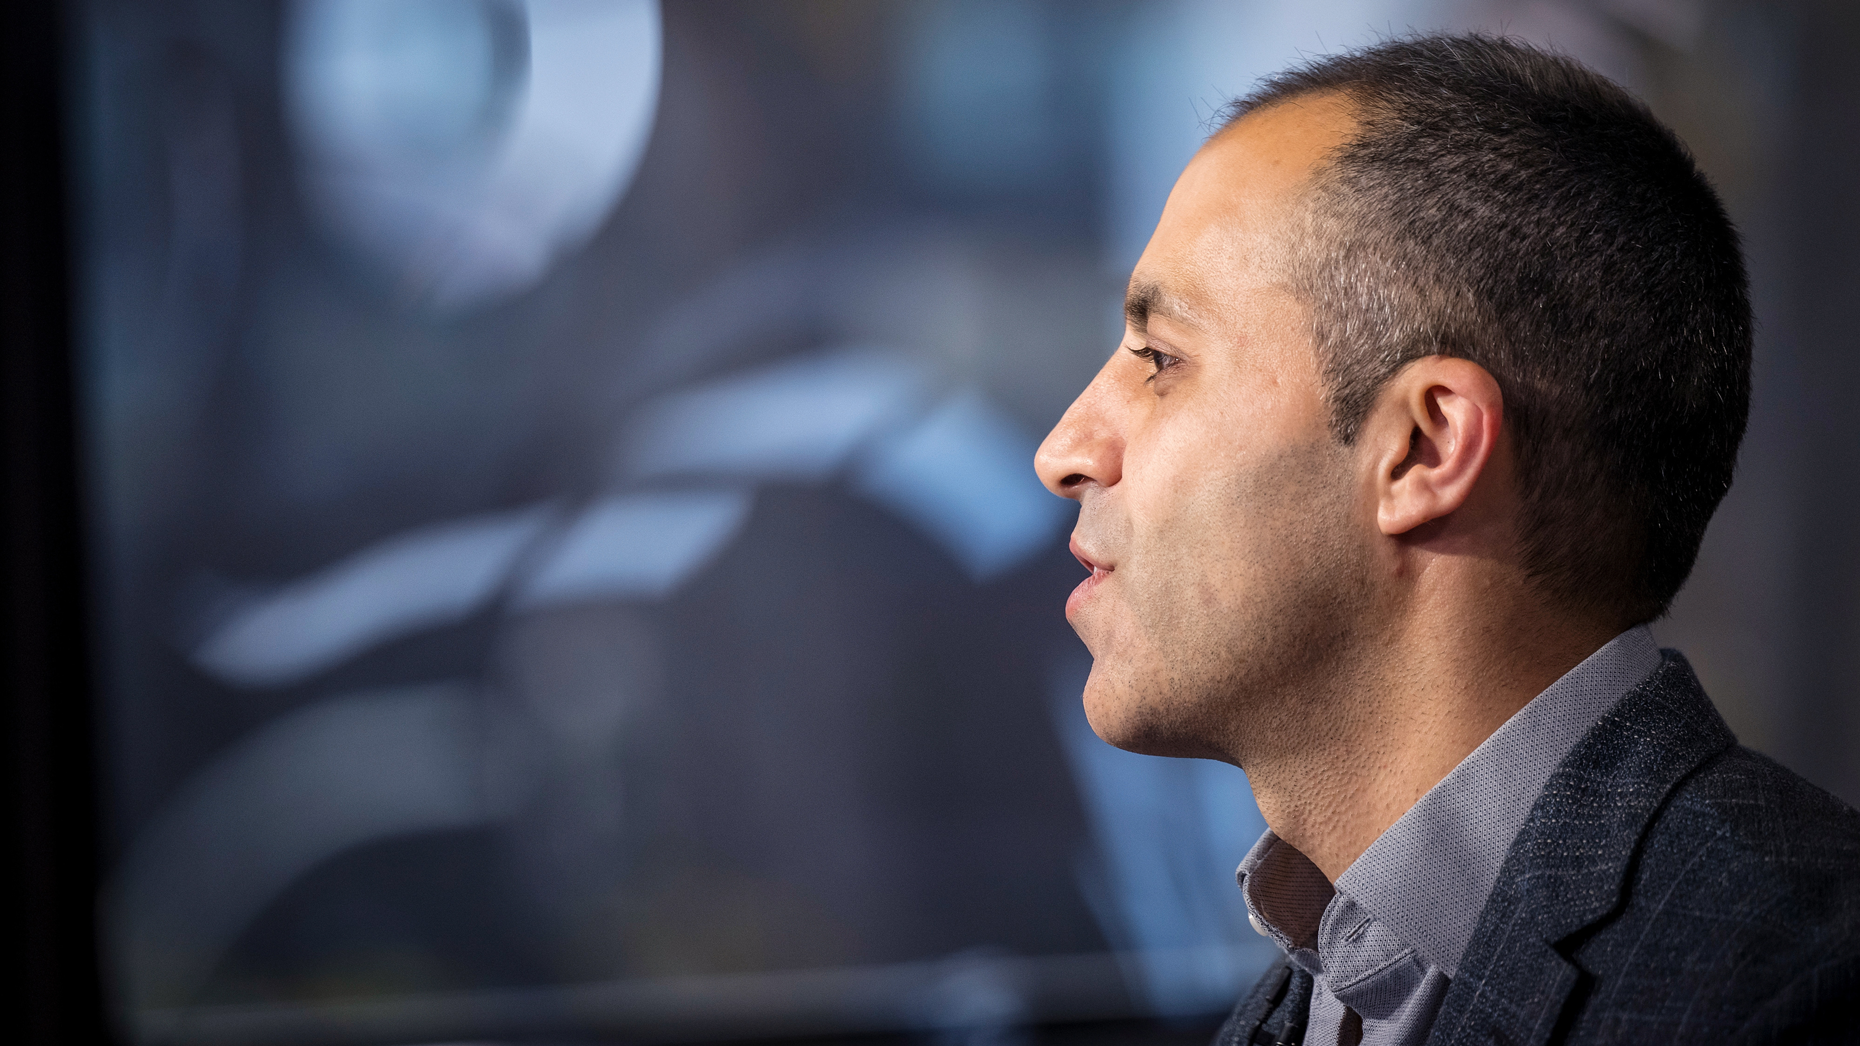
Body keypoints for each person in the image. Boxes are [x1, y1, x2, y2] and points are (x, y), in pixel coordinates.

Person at [1034, 33, 1860, 1046]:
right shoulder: (1319, 985)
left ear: (1425, 448)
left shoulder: (1790, 989)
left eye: (1160, 358)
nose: (1064, 451)